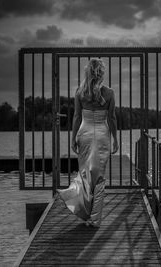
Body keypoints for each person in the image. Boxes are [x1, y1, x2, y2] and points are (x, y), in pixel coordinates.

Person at [57, 58, 118, 227]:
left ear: (87, 72)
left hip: (84, 133)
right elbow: (112, 118)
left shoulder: (80, 92)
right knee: (98, 178)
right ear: (102, 73)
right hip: (102, 134)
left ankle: (82, 209)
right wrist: (115, 138)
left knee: (85, 174)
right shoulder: (109, 93)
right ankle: (94, 219)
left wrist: (73, 137)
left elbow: (76, 117)